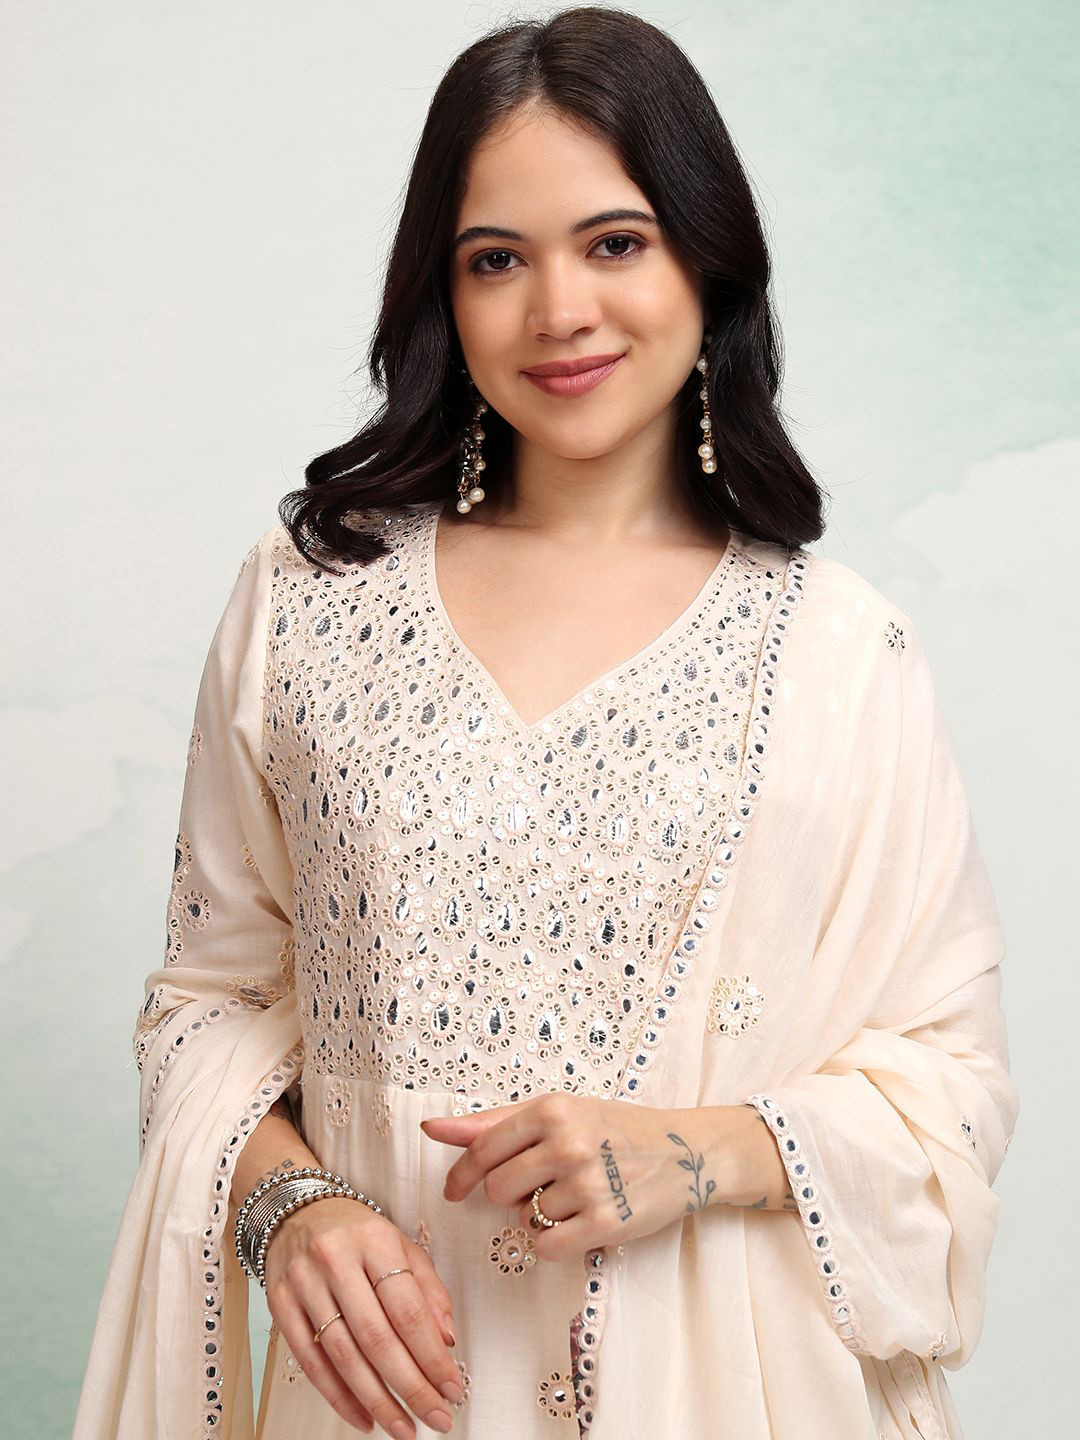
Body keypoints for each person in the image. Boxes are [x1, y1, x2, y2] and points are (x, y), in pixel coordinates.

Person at [71, 8, 1019, 1439]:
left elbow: (951, 1087)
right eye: (496, 260)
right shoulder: (309, 601)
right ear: (441, 296)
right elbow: (205, 1003)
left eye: (615, 242)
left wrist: (698, 1153)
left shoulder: (844, 658)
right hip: (387, 1398)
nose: (560, 310)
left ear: (707, 260)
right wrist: (289, 1208)